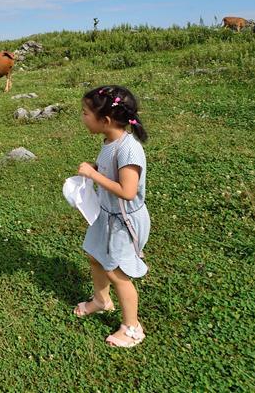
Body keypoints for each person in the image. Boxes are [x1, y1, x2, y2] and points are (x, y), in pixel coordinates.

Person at [74, 85, 150, 348]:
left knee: (118, 272)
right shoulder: (110, 141)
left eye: (85, 113)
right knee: (96, 256)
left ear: (105, 120)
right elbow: (112, 172)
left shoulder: (129, 150)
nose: (82, 117)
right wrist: (98, 168)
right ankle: (101, 300)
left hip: (124, 221)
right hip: (107, 215)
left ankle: (132, 328)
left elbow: (128, 191)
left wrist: (95, 175)